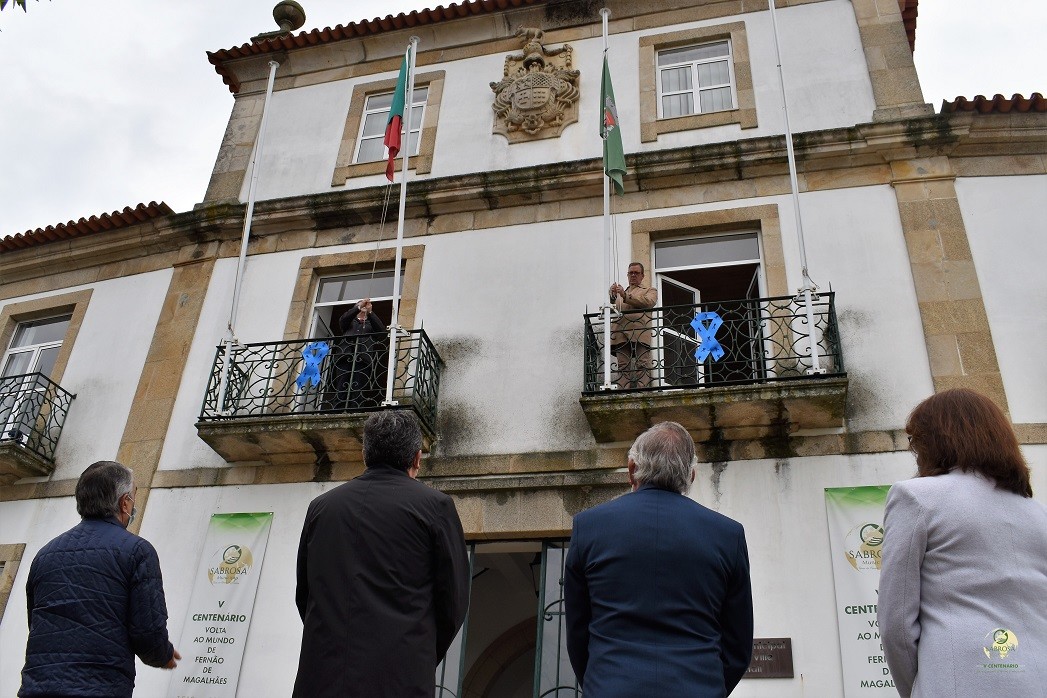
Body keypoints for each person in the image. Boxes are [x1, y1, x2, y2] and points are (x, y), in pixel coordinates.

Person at [878, 389, 1047, 698]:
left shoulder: (916, 497)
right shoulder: (1038, 513)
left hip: (956, 682)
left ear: (934, 440)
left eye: (914, 441)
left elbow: (896, 624)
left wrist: (919, 688)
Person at [565, 421, 754, 697]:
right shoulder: (727, 535)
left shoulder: (589, 527)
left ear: (632, 469)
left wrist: (602, 683)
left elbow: (577, 632)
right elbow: (738, 644)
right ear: (691, 476)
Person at [293, 410, 470, 698]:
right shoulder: (435, 507)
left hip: (322, 677)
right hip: (399, 678)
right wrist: (416, 655)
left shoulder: (322, 507)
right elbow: (453, 603)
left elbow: (305, 593)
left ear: (364, 455)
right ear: (417, 458)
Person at [19, 461, 179, 697]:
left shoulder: (45, 554)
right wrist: (163, 655)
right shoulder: (137, 551)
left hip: (37, 687)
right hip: (100, 687)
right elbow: (147, 632)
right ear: (124, 502)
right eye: (134, 496)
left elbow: (36, 622)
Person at [609, 262, 658, 388]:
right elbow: (614, 308)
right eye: (631, 273)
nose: (633, 275)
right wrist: (612, 295)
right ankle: (622, 391)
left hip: (640, 330)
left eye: (636, 273)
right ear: (627, 275)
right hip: (620, 331)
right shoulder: (621, 293)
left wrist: (625, 295)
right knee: (622, 364)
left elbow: (648, 302)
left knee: (642, 363)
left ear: (642, 275)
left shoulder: (650, 290)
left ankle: (642, 391)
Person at [334, 297, 386, 409]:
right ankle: (337, 410)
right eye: (361, 305)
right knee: (341, 386)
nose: (363, 306)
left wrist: (370, 312)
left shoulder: (370, 324)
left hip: (363, 360)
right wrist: (358, 307)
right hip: (345, 357)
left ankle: (354, 410)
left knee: (358, 388)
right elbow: (343, 319)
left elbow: (381, 332)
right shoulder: (349, 322)